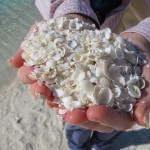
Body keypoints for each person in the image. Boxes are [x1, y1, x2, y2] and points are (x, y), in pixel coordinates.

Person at [8, 0, 150, 150]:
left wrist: (145, 36)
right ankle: (77, 146)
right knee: (79, 117)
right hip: (95, 20)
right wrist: (72, 9)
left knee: (111, 118)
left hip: (140, 27)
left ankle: (101, 144)